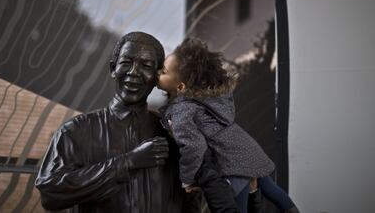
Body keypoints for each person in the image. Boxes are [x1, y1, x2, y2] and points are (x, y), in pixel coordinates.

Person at [35, 32, 192, 213]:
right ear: (113, 69)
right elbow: (50, 193)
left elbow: (191, 199)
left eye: (146, 65)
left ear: (157, 77)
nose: (134, 72)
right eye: (126, 63)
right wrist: (128, 162)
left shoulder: (173, 131)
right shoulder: (75, 131)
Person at [157, 38, 299, 213]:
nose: (157, 73)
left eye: (163, 71)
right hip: (247, 148)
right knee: (272, 191)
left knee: (236, 206)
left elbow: (193, 146)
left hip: (231, 161)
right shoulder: (205, 102)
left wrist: (187, 178)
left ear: (180, 86)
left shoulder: (182, 110)